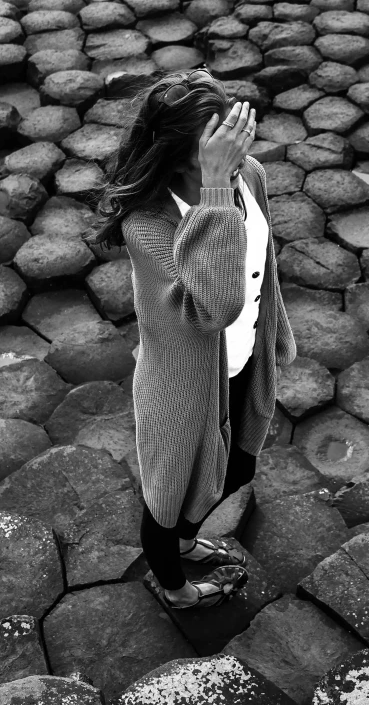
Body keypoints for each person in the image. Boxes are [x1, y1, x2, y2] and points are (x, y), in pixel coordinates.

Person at [82, 67, 297, 610]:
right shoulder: (147, 226)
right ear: (178, 157)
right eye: (216, 143)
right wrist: (218, 192)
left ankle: (186, 541)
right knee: (168, 498)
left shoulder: (250, 175)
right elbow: (211, 308)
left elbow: (262, 265)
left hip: (243, 358)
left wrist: (275, 332)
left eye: (232, 130)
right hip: (184, 383)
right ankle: (177, 591)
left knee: (239, 466)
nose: (235, 149)